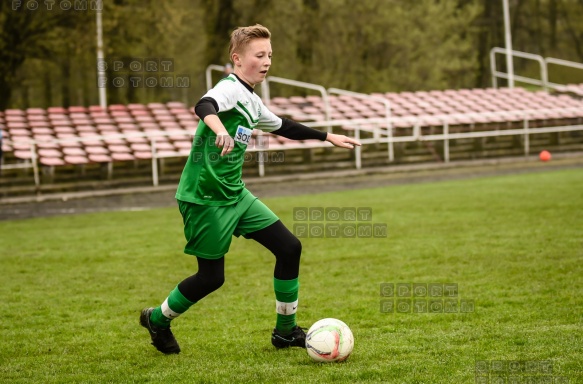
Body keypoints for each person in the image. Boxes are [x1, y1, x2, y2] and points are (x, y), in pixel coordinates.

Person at [140, 24, 361, 355]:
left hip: (236, 194)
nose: (267, 61)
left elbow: (284, 126)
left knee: (289, 248)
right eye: (259, 55)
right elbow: (205, 105)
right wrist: (219, 131)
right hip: (205, 199)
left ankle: (285, 332)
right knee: (211, 278)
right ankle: (157, 318)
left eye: (270, 55)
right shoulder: (229, 88)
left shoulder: (253, 102)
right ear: (237, 59)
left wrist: (327, 136)